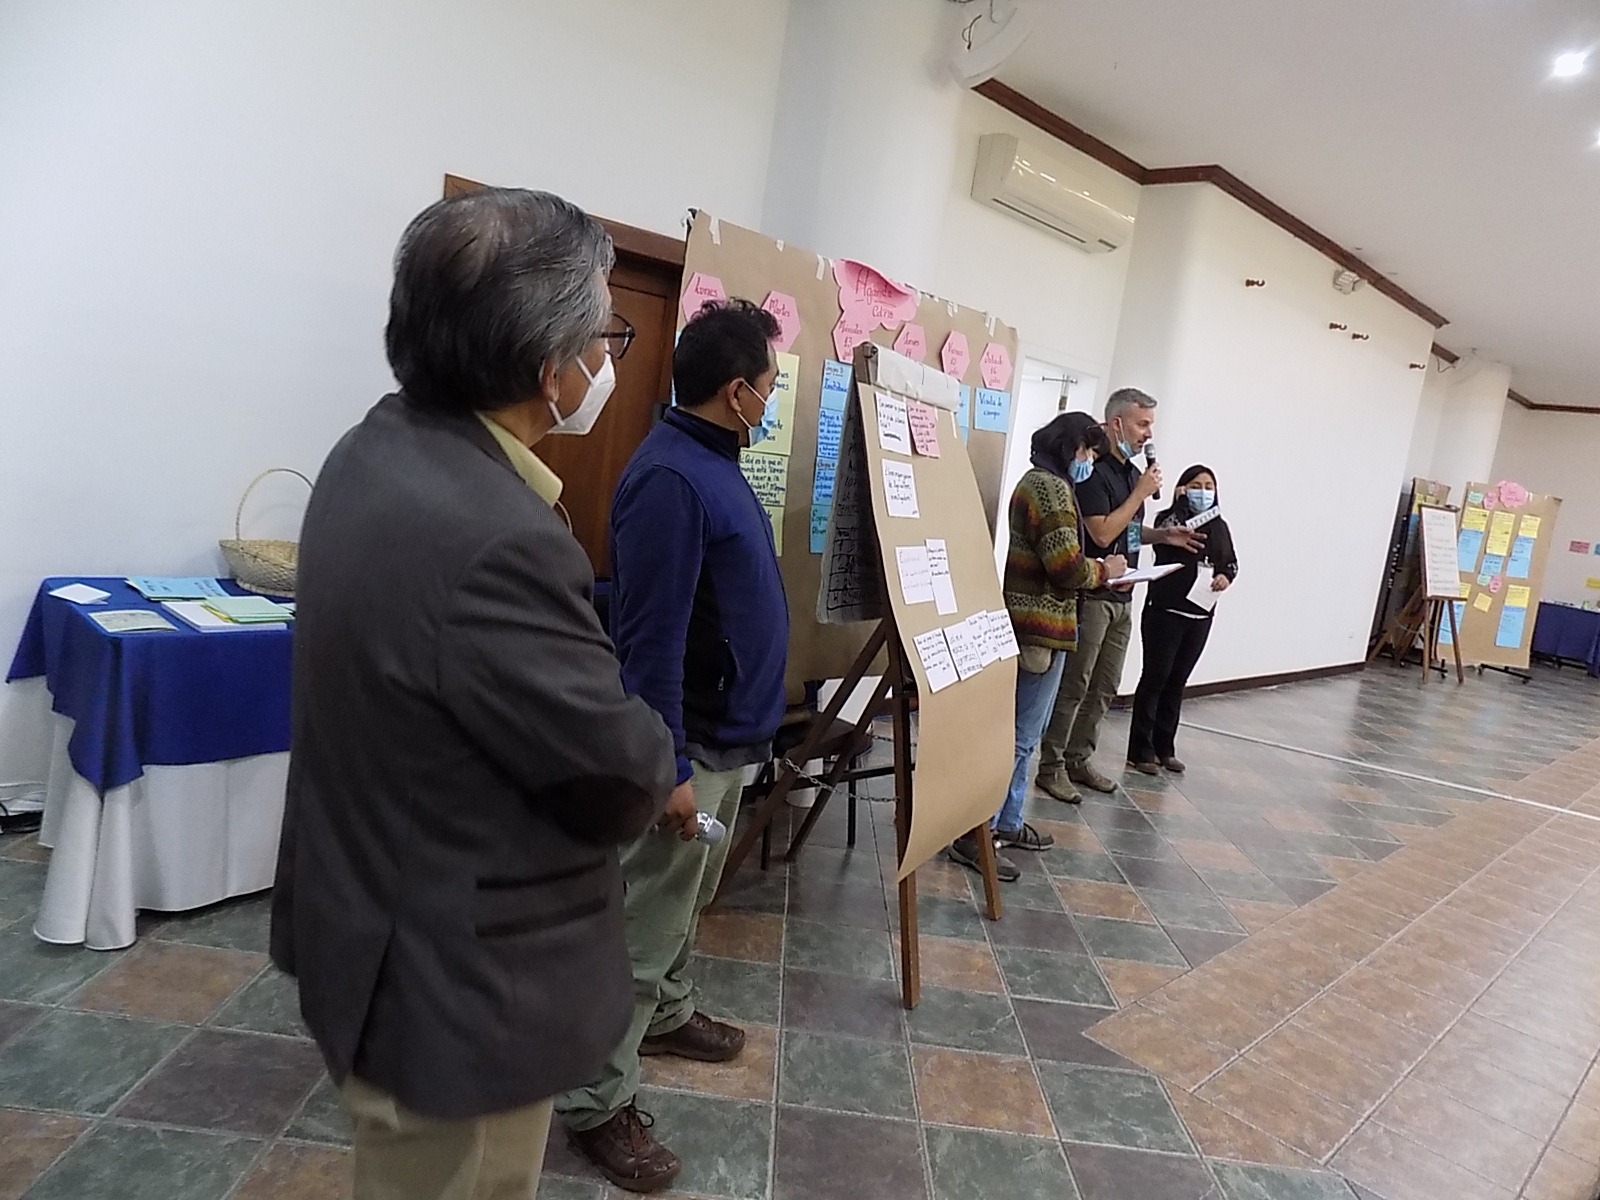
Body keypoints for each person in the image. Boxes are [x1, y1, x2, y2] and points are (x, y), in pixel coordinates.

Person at [269, 187, 679, 1200]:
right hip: (453, 983)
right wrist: (652, 745)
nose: (608, 361)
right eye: (605, 335)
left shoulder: (374, 447)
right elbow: (618, 773)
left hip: (374, 913)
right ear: (551, 370)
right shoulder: (496, 537)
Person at [557, 298, 790, 1192]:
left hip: (728, 738)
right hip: (691, 744)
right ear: (736, 391)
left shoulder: (713, 463)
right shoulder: (670, 480)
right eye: (769, 384)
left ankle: (667, 1015)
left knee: (680, 906)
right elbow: (647, 643)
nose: (770, 399)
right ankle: (596, 1102)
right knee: (641, 924)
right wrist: (670, 767)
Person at [949, 412, 1126, 881]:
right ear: (1071, 446)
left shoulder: (1041, 482)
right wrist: (1106, 571)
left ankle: (1006, 822)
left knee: (1025, 736)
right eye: (1088, 452)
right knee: (1017, 737)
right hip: (1038, 628)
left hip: (1038, 626)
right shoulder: (1049, 488)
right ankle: (976, 835)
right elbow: (1067, 568)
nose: (1089, 462)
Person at [1035, 388, 1205, 801]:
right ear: (1117, 423)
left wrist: (1161, 535)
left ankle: (1079, 758)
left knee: (1105, 686)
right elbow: (1101, 532)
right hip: (1093, 595)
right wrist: (1140, 494)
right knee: (1076, 685)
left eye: (1151, 425)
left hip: (1124, 596)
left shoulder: (1132, 473)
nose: (1149, 434)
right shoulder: (1093, 471)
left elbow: (1125, 530)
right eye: (1142, 424)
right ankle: (1051, 766)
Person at [1127, 465, 1238, 774]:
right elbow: (1163, 544)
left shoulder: (1220, 526)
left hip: (1200, 614)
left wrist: (1225, 577)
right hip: (1166, 612)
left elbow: (1231, 563)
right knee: (1156, 678)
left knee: (1177, 682)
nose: (1204, 491)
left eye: (1209, 486)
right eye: (1196, 485)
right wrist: (1181, 506)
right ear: (1183, 488)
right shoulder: (1169, 519)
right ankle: (1141, 750)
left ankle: (1165, 748)